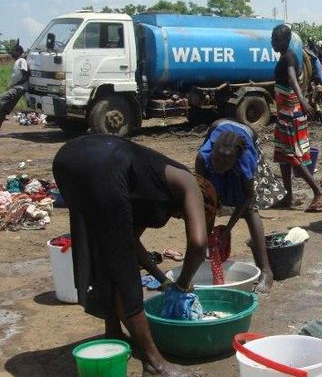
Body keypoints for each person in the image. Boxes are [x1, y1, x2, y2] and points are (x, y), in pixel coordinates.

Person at [53, 135, 218, 376]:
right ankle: (155, 364)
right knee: (123, 269)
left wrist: (162, 278)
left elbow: (131, 240)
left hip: (68, 158)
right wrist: (182, 284)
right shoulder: (187, 181)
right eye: (187, 215)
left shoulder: (146, 185)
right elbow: (198, 242)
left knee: (105, 250)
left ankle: (113, 331)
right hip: (102, 164)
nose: (182, 218)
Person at [196, 119, 287, 293]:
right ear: (212, 151)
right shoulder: (203, 157)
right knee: (209, 202)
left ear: (235, 162)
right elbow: (203, 196)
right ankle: (199, 259)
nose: (218, 165)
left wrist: (227, 229)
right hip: (218, 125)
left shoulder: (245, 162)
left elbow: (247, 198)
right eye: (216, 159)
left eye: (225, 163)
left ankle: (267, 271)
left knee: (252, 211)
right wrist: (205, 237)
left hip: (248, 135)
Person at [271, 24, 322, 212]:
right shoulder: (286, 56)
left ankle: (319, 192)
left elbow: (291, 79)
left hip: (290, 112)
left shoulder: (289, 56)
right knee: (282, 155)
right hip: (284, 112)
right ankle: (288, 196)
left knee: (292, 155)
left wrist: (303, 100)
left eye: (276, 39)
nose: (272, 41)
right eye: (272, 38)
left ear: (285, 40)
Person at [0, 43, 29, 130]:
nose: (12, 53)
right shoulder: (17, 61)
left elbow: (25, 76)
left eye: (14, 51)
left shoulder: (21, 61)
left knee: (1, 101)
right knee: (4, 108)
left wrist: (15, 85)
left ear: (18, 52)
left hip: (19, 88)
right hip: (16, 88)